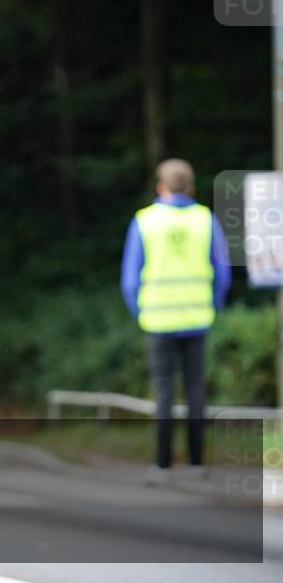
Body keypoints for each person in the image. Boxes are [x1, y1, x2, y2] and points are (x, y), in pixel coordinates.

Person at [120, 158, 231, 481]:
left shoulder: (144, 221)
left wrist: (140, 312)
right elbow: (222, 274)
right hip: (197, 318)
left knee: (164, 393)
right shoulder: (205, 219)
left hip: (157, 321)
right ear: (191, 186)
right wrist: (213, 307)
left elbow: (130, 279)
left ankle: (163, 466)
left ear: (161, 186)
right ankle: (197, 464)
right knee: (196, 392)